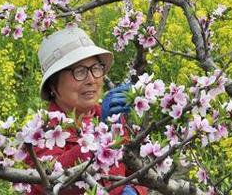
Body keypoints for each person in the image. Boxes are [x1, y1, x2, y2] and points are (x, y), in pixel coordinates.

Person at [25, 26, 147, 195]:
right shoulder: (39, 133)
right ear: (53, 85)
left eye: (96, 68)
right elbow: (57, 184)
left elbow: (139, 170)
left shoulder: (108, 117)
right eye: (79, 71)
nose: (91, 80)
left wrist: (135, 190)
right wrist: (101, 134)